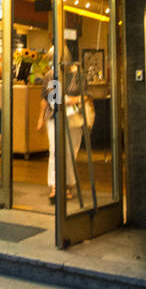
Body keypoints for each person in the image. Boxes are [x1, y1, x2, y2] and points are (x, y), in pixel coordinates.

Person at [35, 57, 87, 202]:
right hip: (54, 117)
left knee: (70, 152)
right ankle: (55, 185)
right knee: (55, 150)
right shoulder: (50, 75)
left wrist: (72, 100)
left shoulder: (78, 75)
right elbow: (45, 97)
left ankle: (68, 184)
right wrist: (41, 118)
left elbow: (85, 96)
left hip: (73, 118)